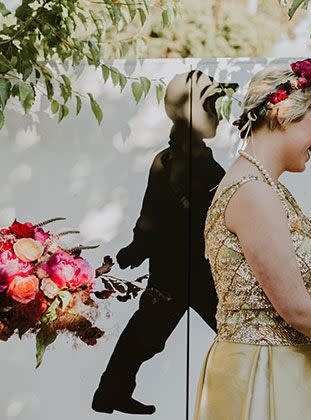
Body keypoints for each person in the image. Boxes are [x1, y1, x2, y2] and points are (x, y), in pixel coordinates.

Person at [193, 59, 311, 420]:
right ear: (282, 114)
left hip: (286, 364)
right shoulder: (254, 192)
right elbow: (294, 307)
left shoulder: (262, 185)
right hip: (267, 371)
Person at [92, 71, 236, 415]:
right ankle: (110, 393)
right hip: (197, 273)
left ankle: (110, 393)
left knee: (145, 336)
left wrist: (135, 250)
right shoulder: (203, 166)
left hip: (171, 272)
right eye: (213, 107)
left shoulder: (166, 159)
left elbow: (149, 217)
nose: (218, 115)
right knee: (236, 332)